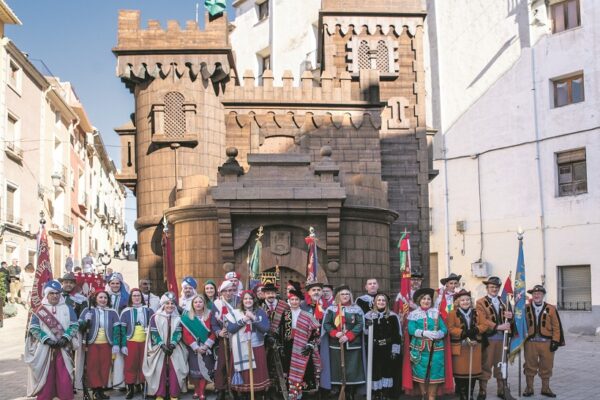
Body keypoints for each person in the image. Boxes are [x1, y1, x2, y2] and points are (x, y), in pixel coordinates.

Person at [25, 280, 79, 400]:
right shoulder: (40, 310)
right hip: (45, 349)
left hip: (63, 348)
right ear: (47, 294)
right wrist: (46, 339)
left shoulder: (68, 308)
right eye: (52, 293)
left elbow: (74, 325)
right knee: (46, 378)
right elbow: (34, 327)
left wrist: (66, 337)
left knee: (64, 378)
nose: (55, 295)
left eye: (57, 293)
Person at [321, 285, 366, 400]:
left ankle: (350, 392)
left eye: (347, 294)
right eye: (342, 294)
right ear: (338, 296)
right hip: (336, 345)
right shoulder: (331, 309)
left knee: (352, 370)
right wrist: (336, 333)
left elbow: (360, 324)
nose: (345, 296)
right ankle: (338, 391)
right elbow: (327, 324)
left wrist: (349, 336)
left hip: (353, 345)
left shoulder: (357, 309)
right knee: (337, 369)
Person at [143, 292, 188, 400]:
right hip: (159, 348)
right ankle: (160, 394)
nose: (170, 306)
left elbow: (178, 332)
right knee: (159, 370)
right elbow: (154, 332)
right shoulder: (155, 317)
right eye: (167, 303)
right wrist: (162, 345)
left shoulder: (178, 317)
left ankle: (174, 394)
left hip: (175, 348)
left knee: (176, 370)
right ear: (163, 304)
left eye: (172, 303)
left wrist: (172, 345)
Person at [522, 285, 565, 398]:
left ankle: (545, 388)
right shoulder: (525, 308)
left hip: (546, 342)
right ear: (532, 295)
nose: (537, 295)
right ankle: (529, 388)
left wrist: (555, 341)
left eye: (539, 293)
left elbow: (556, 327)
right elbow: (519, 323)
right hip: (530, 342)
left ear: (543, 295)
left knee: (546, 366)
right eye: (535, 294)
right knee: (529, 366)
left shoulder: (551, 308)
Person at [475, 276, 514, 400]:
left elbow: (510, 320)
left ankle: (501, 390)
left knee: (501, 364)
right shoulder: (480, 302)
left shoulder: (504, 301)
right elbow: (482, 319)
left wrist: (510, 315)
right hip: (489, 338)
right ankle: (482, 391)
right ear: (487, 288)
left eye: (496, 287)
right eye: (492, 287)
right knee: (486, 364)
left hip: (502, 339)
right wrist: (498, 326)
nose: (494, 289)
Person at [406, 287, 448, 400]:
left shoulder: (436, 313)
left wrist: (439, 333)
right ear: (419, 300)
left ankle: (432, 397)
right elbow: (411, 329)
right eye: (424, 299)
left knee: (435, 372)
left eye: (429, 299)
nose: (426, 301)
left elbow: (444, 329)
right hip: (419, 349)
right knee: (420, 373)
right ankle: (424, 395)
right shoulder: (414, 314)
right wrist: (424, 333)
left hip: (436, 348)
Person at [226, 290, 271, 395]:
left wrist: (253, 318)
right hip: (240, 348)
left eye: (250, 298)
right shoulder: (236, 313)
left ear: (254, 300)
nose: (248, 301)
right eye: (245, 298)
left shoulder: (260, 312)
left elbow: (265, 329)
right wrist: (244, 319)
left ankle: (256, 395)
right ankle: (243, 395)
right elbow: (231, 329)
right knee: (244, 378)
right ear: (242, 300)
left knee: (256, 378)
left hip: (256, 347)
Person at [79, 290, 122, 400]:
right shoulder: (88, 310)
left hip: (107, 344)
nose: (103, 300)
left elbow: (117, 329)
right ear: (95, 299)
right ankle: (95, 391)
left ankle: (100, 390)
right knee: (93, 367)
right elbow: (80, 327)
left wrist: (116, 344)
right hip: (91, 344)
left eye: (105, 298)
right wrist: (85, 321)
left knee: (105, 367)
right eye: (100, 297)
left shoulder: (112, 312)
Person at [447, 289, 485, 400]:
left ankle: (470, 394)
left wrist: (476, 330)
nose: (465, 302)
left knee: (472, 372)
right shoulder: (452, 313)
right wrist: (462, 333)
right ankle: (463, 395)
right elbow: (450, 328)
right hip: (460, 347)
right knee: (460, 373)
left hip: (474, 346)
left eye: (467, 300)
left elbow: (485, 325)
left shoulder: (478, 312)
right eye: (462, 300)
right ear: (458, 302)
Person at [364, 292, 401, 400]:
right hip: (374, 349)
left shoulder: (393, 317)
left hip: (388, 349)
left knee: (387, 371)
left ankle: (386, 393)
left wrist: (395, 351)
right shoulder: (368, 315)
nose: (381, 302)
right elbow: (365, 333)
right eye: (379, 300)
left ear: (386, 303)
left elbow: (396, 336)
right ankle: (376, 393)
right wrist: (368, 324)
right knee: (375, 371)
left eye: (383, 300)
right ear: (375, 302)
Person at [286, 286, 321, 400]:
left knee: (305, 371)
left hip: (304, 348)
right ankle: (293, 393)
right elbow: (280, 330)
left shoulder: (307, 315)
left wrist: (310, 344)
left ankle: (303, 393)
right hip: (289, 347)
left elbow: (316, 330)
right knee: (289, 370)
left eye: (296, 300)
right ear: (289, 301)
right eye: (292, 300)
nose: (294, 302)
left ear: (300, 301)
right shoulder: (285, 315)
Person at [120, 288, 154, 398]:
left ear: (142, 297)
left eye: (138, 295)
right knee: (130, 365)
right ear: (131, 298)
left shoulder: (149, 310)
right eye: (134, 296)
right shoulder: (126, 311)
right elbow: (122, 330)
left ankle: (144, 386)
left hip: (145, 342)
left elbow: (154, 327)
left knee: (144, 364)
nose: (136, 298)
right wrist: (123, 344)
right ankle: (130, 388)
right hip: (131, 342)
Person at [181, 294, 216, 400]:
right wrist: (196, 347)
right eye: (195, 302)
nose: (198, 304)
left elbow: (214, 331)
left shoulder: (210, 315)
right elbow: (186, 333)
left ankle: (202, 391)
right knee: (195, 370)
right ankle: (196, 389)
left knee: (205, 369)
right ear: (192, 304)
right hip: (194, 349)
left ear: (204, 304)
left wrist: (206, 346)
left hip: (207, 348)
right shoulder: (187, 317)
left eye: (200, 302)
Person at [261, 282, 292, 399]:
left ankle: (280, 391)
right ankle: (268, 391)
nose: (270, 295)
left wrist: (286, 340)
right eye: (268, 293)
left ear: (276, 293)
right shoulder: (259, 307)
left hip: (281, 343)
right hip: (264, 344)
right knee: (266, 366)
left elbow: (288, 325)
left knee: (281, 368)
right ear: (264, 294)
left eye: (272, 293)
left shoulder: (284, 306)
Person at [210, 280, 238, 400]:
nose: (228, 293)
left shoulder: (239, 301)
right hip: (224, 338)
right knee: (222, 364)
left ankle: (236, 388)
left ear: (234, 291)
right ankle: (221, 389)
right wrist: (219, 332)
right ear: (221, 292)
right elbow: (213, 323)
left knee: (236, 364)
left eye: (231, 290)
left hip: (238, 337)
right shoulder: (217, 304)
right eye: (225, 291)